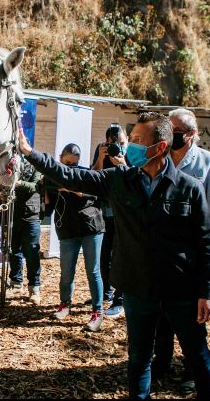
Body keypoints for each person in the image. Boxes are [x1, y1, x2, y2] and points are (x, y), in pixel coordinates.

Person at [20, 113, 210, 399]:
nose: (131, 147)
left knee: (198, 356)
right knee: (139, 358)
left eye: (138, 141)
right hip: (138, 289)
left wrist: (207, 291)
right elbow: (73, 176)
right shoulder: (120, 180)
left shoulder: (189, 188)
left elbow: (205, 243)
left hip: (181, 290)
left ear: (160, 147)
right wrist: (30, 153)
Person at [152, 108, 210, 389]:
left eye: (178, 132)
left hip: (193, 256)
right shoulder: (159, 158)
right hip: (162, 254)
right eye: (169, 131)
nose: (172, 137)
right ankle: (161, 362)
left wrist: (209, 259)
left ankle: (192, 372)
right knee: (161, 316)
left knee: (192, 320)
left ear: (192, 134)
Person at [47, 143, 105, 332]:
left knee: (93, 271)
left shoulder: (84, 173)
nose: (71, 167)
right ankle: (65, 304)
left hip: (91, 227)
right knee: (66, 271)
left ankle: (98, 311)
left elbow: (94, 191)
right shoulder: (54, 174)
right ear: (60, 157)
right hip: (67, 229)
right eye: (67, 162)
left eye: (75, 163)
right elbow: (49, 187)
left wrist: (73, 189)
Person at [91, 124, 127, 318]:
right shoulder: (101, 150)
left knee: (120, 256)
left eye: (120, 142)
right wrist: (101, 157)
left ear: (126, 140)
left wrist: (121, 161)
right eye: (112, 142)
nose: (116, 146)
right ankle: (106, 292)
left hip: (124, 213)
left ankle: (119, 300)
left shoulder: (132, 154)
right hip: (104, 211)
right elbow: (93, 176)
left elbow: (135, 179)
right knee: (104, 256)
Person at [8, 155, 43, 304]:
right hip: (12, 214)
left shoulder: (37, 165)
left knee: (32, 252)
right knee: (14, 249)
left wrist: (18, 183)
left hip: (31, 216)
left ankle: (34, 288)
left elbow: (35, 186)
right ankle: (16, 282)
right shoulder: (9, 166)